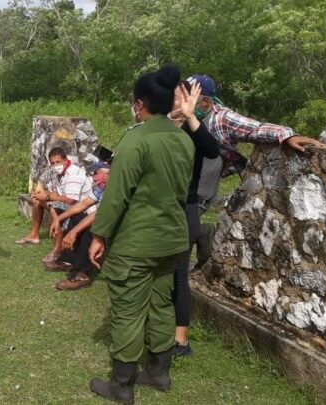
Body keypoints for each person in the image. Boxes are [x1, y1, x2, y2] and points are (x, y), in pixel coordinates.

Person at [88, 65, 194, 404]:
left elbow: (116, 194)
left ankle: (122, 385)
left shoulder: (136, 138)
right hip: (173, 238)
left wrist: (99, 234)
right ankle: (159, 372)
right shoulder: (182, 138)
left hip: (137, 241)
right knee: (161, 303)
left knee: (128, 310)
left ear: (139, 103)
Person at [186, 74, 323, 269]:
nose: (185, 102)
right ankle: (198, 233)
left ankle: (193, 243)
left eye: (190, 98)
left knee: (181, 225)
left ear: (205, 102)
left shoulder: (222, 118)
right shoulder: (182, 113)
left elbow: (254, 129)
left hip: (204, 180)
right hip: (186, 177)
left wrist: (288, 136)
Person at [167, 81, 221, 357]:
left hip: (184, 209)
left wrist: (189, 115)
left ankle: (181, 341)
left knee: (178, 276)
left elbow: (212, 150)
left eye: (177, 95)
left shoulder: (193, 128)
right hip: (159, 210)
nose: (173, 99)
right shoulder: (160, 125)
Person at [16, 147, 91, 268]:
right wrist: (42, 195)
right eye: (53, 163)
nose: (55, 165)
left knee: (57, 210)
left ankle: (57, 250)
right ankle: (34, 236)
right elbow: (56, 194)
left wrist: (49, 197)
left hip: (81, 209)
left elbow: (71, 200)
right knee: (37, 201)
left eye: (58, 162)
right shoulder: (57, 173)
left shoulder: (74, 174)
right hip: (69, 203)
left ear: (66, 160)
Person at [50, 161, 109, 290]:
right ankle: (68, 261)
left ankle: (83, 274)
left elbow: (98, 215)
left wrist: (73, 232)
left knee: (91, 228)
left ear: (107, 174)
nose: (93, 177)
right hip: (104, 222)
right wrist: (57, 220)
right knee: (76, 216)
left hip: (115, 228)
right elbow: (82, 205)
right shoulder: (100, 189)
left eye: (96, 173)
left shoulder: (114, 190)